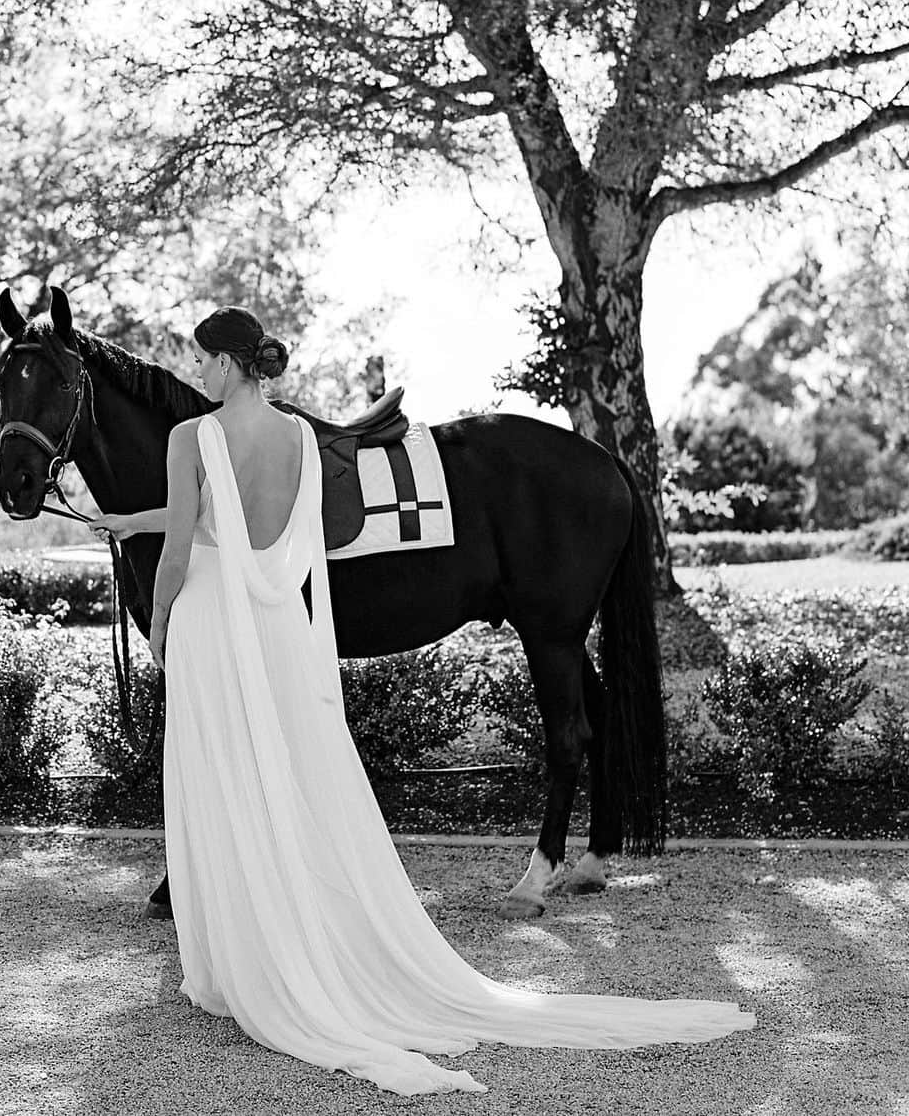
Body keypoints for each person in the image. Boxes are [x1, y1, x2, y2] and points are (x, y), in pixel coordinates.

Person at [88, 305, 755, 1096]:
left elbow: (183, 546)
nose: (197, 372)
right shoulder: (299, 438)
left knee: (227, 770)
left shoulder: (189, 437)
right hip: (274, 622)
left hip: (216, 627)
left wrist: (159, 618)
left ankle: (242, 941)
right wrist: (135, 515)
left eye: (204, 360)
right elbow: (264, 526)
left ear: (228, 364)